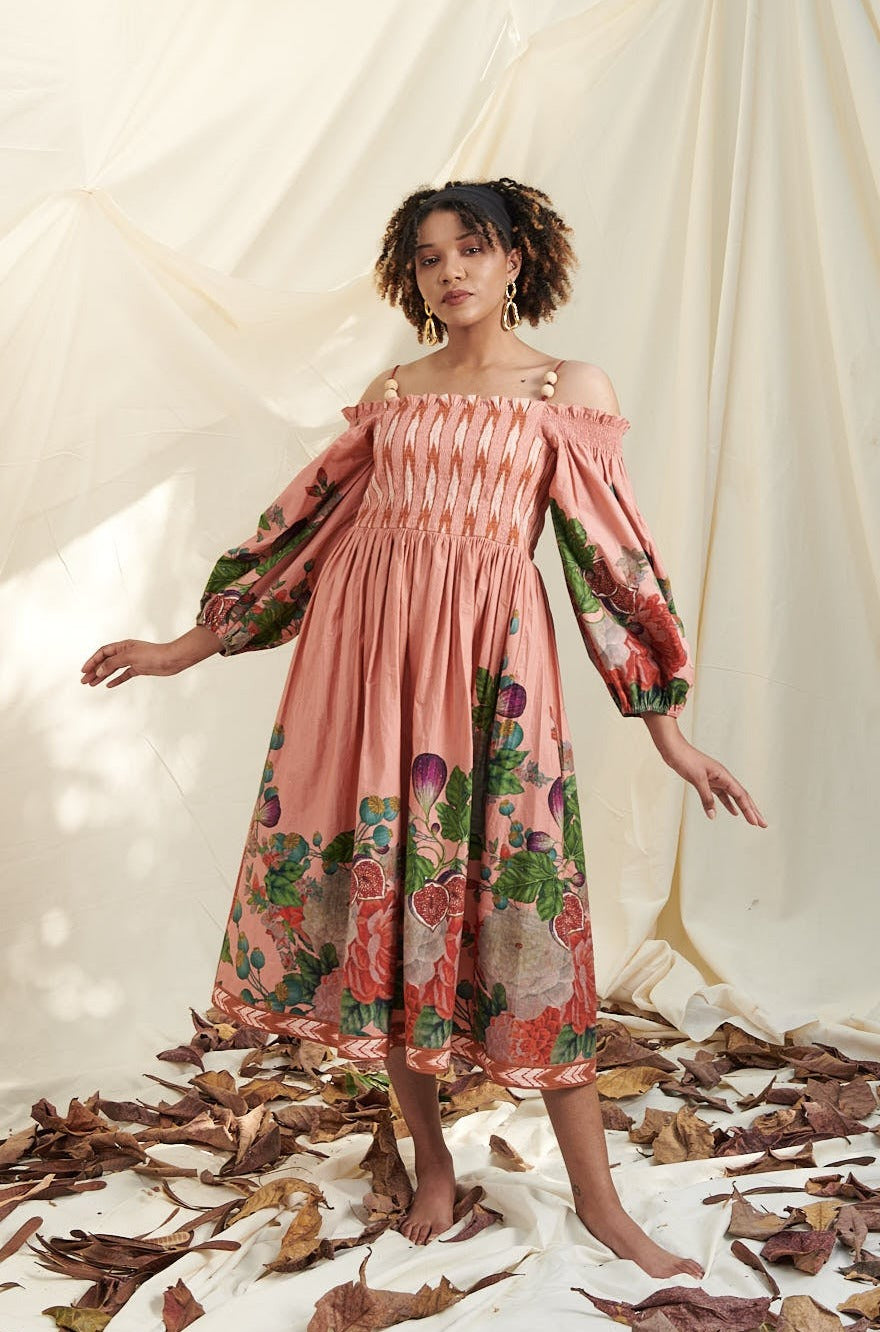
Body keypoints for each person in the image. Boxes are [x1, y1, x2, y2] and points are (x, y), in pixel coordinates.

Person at [82, 178, 767, 1277]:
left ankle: (602, 1206)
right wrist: (184, 646)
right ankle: (433, 1163)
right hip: (368, 671)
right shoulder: (394, 391)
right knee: (390, 911)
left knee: (530, 924)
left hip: (491, 678)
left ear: (515, 260)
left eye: (471, 249)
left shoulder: (566, 388)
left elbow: (612, 561)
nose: (450, 272)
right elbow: (305, 532)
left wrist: (668, 728)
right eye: (429, 256)